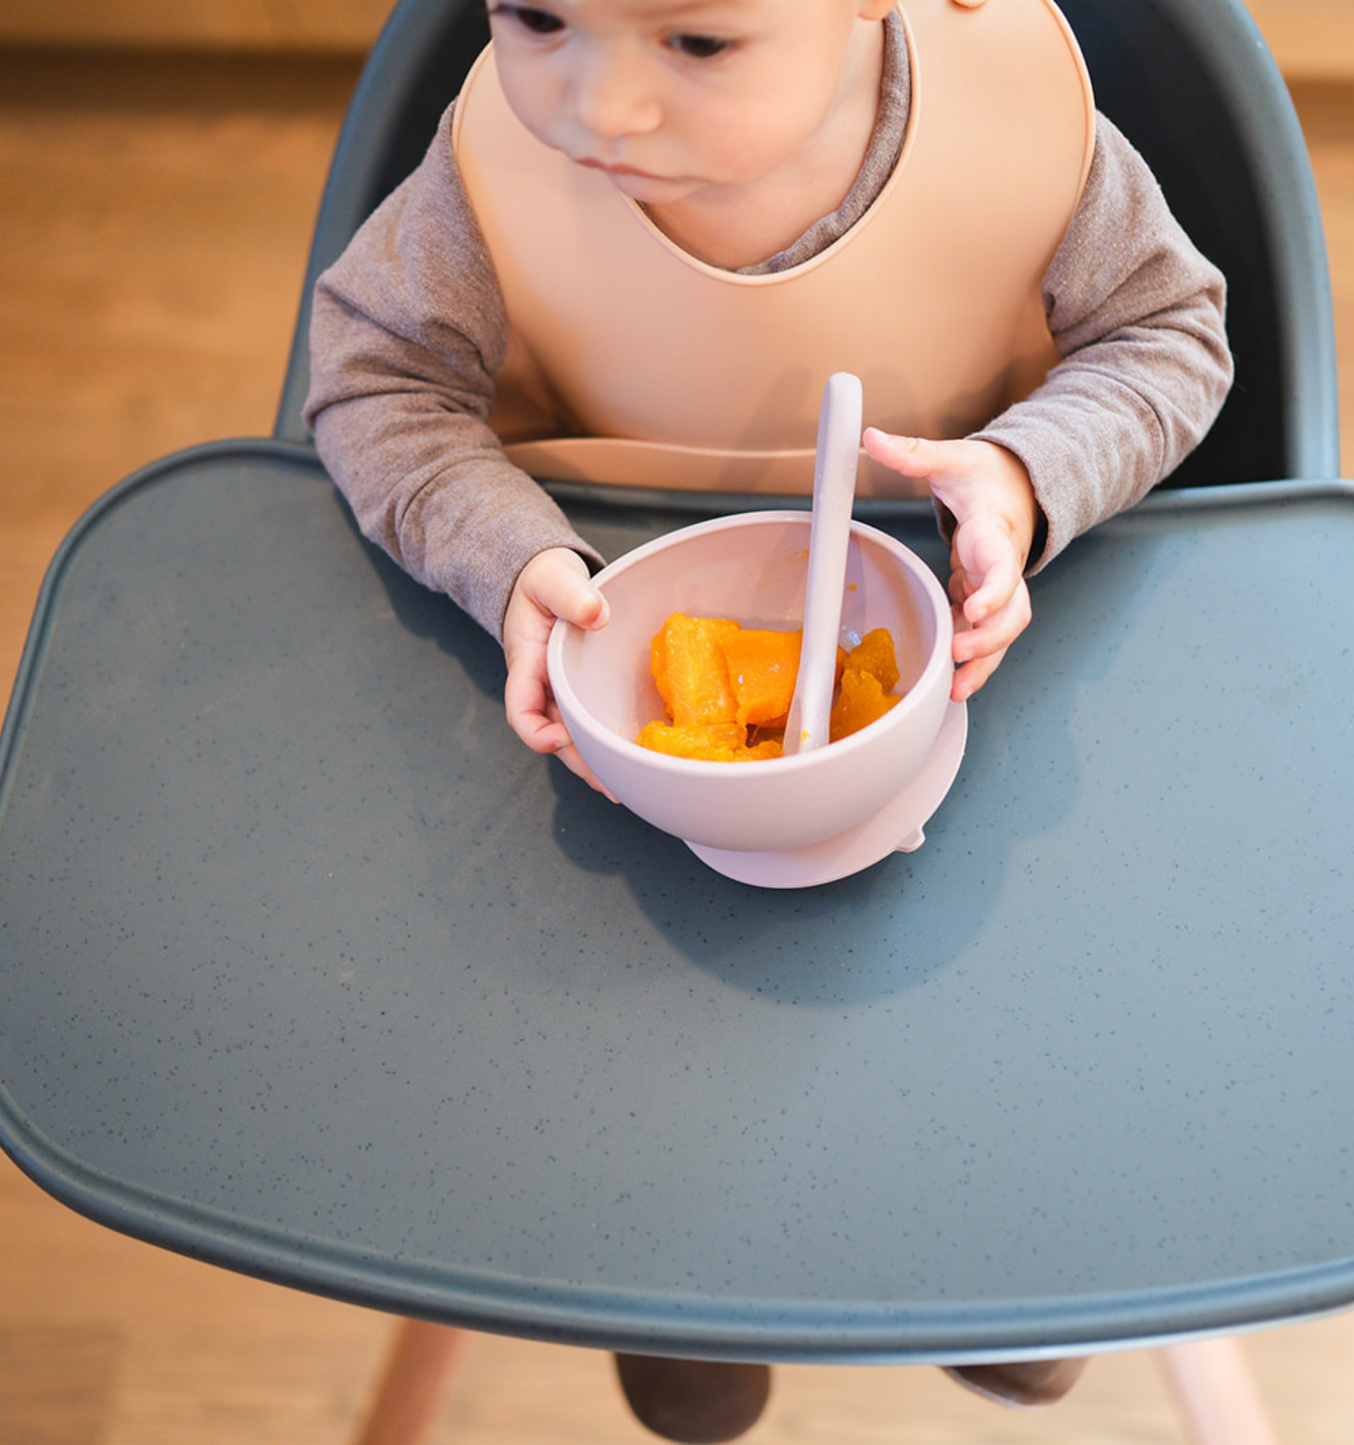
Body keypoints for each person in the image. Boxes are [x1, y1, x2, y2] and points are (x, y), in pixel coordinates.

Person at [305, 0, 1231, 1435]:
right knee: (628, 1036)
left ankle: (1008, 1260)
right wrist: (510, 558)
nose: (596, 104)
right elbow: (378, 381)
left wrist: (1027, 475)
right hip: (614, 681)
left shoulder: (1025, 141)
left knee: (1009, 1003)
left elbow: (1172, 334)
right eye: (537, 14)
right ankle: (684, 1281)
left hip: (980, 633)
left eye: (698, 43)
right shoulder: (488, 175)